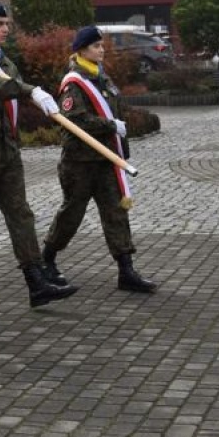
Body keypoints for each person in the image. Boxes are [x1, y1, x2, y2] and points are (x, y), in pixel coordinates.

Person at [0, 2, 79, 309]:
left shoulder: (7, 64)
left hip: (8, 156)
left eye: (7, 24)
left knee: (21, 216)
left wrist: (34, 96)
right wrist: (29, 90)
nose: (5, 29)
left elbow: (11, 93)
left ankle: (36, 282)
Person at [40, 26, 158, 293]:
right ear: (82, 50)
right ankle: (47, 259)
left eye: (101, 45)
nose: (102, 50)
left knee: (116, 212)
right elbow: (75, 120)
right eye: (96, 46)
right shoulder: (74, 82)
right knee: (72, 214)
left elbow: (114, 108)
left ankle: (126, 271)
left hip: (105, 160)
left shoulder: (101, 77)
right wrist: (110, 125)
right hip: (80, 163)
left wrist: (119, 134)